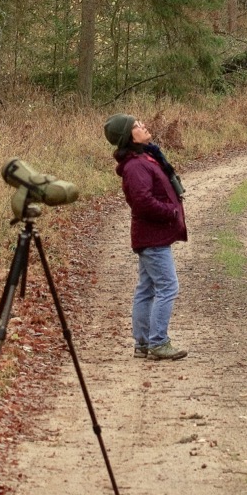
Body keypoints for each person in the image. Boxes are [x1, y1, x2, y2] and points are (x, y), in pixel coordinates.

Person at [104, 113, 189, 361]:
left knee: (146, 288)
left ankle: (143, 343)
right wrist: (170, 212)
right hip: (152, 237)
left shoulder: (144, 157)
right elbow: (142, 202)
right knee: (168, 286)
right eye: (137, 125)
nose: (143, 126)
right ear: (128, 136)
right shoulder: (136, 165)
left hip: (150, 235)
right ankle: (158, 342)